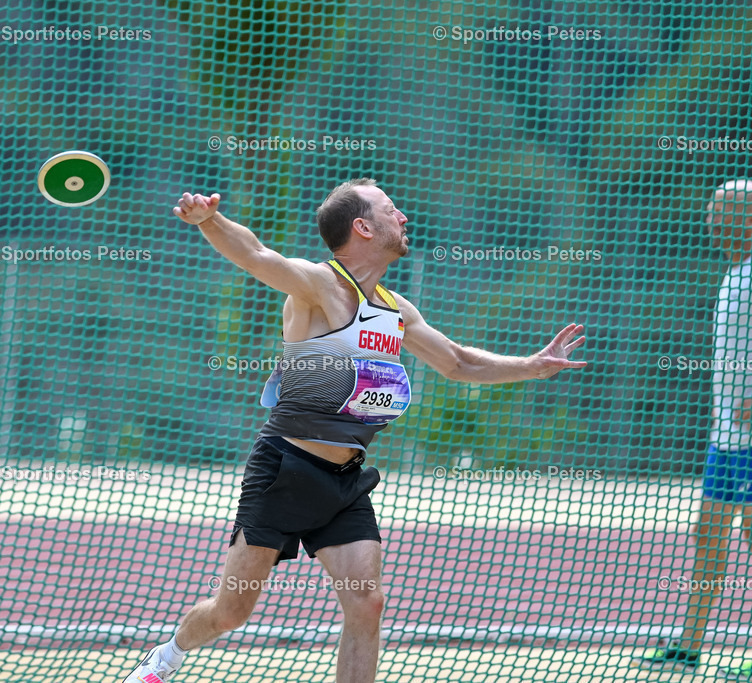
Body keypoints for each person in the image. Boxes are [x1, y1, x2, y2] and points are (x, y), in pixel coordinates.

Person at [122, 179, 587, 683]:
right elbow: (256, 254)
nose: (404, 217)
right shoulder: (320, 286)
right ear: (363, 227)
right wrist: (208, 220)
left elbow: (457, 362)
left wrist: (534, 365)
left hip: (345, 481)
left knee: (368, 603)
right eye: (392, 210)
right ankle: (166, 658)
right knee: (231, 613)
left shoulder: (395, 309)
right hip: (286, 469)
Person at [632, 179, 752, 680]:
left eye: (720, 209)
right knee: (708, 536)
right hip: (726, 440)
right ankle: (689, 645)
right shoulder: (735, 275)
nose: (710, 218)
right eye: (709, 209)